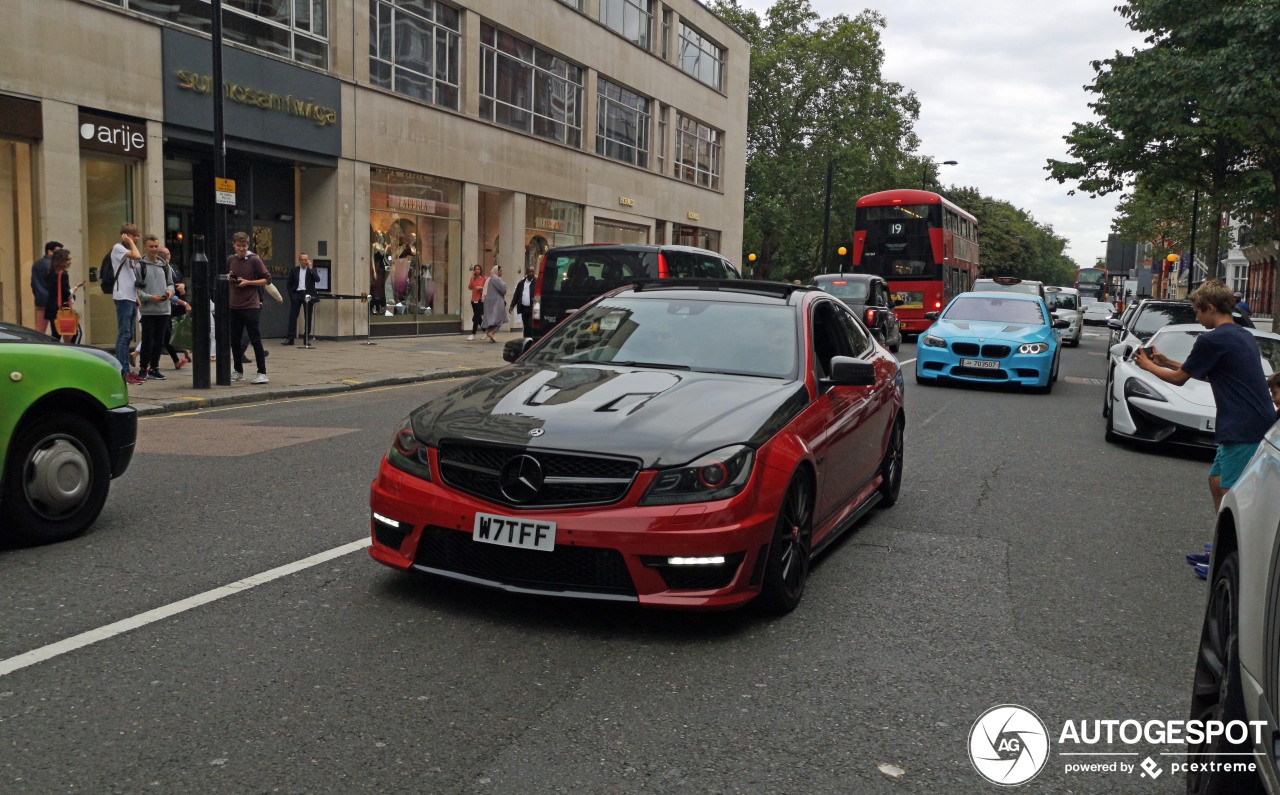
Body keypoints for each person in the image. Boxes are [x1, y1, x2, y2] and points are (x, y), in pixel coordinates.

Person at [1135, 280, 1274, 513]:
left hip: (1243, 426)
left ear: (1210, 308)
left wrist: (1147, 365)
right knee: (1216, 480)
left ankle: (1230, 547)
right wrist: (1166, 361)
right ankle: (1220, 542)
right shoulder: (1243, 335)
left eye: (1197, 312)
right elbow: (1216, 374)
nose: (1197, 318)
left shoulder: (1212, 339)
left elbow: (1179, 379)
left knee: (1230, 492)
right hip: (1252, 420)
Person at [227, 231, 271, 384]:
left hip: (251, 305)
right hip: (234, 305)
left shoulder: (254, 260)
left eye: (244, 246)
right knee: (234, 340)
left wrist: (249, 282)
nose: (241, 249)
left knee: (255, 338)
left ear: (248, 245)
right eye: (238, 246)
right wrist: (229, 278)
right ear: (234, 245)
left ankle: (262, 373)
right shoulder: (231, 260)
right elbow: (229, 276)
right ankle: (238, 371)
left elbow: (267, 279)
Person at [134, 234, 174, 382]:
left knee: (159, 341)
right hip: (148, 310)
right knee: (147, 340)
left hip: (164, 309)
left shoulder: (165, 265)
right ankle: (143, 368)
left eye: (156, 246)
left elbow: (171, 283)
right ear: (145, 247)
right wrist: (150, 297)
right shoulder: (140, 266)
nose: (154, 249)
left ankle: (154, 369)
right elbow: (138, 290)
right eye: (151, 246)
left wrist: (170, 291)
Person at [110, 225, 144, 385]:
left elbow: (131, 274)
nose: (136, 238)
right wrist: (129, 242)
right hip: (122, 296)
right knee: (123, 335)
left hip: (130, 297)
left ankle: (127, 371)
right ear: (125, 235)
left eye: (137, 235)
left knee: (129, 335)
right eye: (133, 235)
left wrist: (136, 296)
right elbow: (138, 255)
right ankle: (123, 371)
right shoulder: (118, 248)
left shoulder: (127, 253)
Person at [43, 249, 83, 343]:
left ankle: (54, 354)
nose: (70, 262)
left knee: (56, 335)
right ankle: (74, 353)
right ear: (62, 261)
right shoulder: (63, 274)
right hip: (61, 309)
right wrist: (74, 289)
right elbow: (65, 293)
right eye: (68, 259)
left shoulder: (50, 273)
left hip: (52, 308)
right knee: (77, 333)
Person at [283, 252, 319, 345]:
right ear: (299, 260)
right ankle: (290, 338)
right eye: (302, 259)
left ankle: (306, 339)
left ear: (308, 260)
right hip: (297, 294)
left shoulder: (311, 270)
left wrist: (311, 268)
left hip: (308, 295)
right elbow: (289, 284)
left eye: (305, 259)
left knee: (308, 317)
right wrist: (292, 296)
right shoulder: (294, 270)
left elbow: (317, 279)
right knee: (293, 316)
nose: (304, 261)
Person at [31, 240, 62, 335]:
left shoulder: (36, 264)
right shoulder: (53, 266)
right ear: (49, 252)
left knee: (40, 329)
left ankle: (38, 347)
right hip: (52, 302)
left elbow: (33, 283)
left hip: (40, 300)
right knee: (57, 330)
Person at [480, 264, 507, 343]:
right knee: (500, 319)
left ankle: (490, 334)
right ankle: (491, 332)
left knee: (492, 320)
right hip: (497, 302)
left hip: (489, 302)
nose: (502, 272)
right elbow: (503, 290)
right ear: (497, 271)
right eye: (500, 271)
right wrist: (505, 286)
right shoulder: (496, 279)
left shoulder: (490, 279)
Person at [509, 263, 536, 336]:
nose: (531, 273)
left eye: (532, 272)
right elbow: (516, 295)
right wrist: (512, 306)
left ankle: (531, 339)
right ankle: (526, 339)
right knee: (526, 326)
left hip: (532, 308)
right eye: (529, 272)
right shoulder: (521, 283)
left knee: (530, 326)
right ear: (526, 273)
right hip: (524, 308)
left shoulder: (536, 283)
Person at [466, 264, 486, 341]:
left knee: (476, 317)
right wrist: (472, 279)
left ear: (480, 270)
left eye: (478, 269)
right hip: (473, 300)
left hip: (481, 300)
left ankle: (473, 334)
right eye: (475, 269)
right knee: (478, 318)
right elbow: (470, 287)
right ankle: (486, 331)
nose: (477, 270)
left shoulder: (484, 278)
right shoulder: (473, 279)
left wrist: (480, 287)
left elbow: (488, 288)